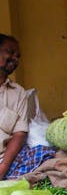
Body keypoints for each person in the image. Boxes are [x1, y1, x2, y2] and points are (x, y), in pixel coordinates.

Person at [0, 34, 29, 180]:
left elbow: (19, 134)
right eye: (10, 52)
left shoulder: (19, 93)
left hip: (3, 160)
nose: (15, 58)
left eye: (18, 56)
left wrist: (2, 168)